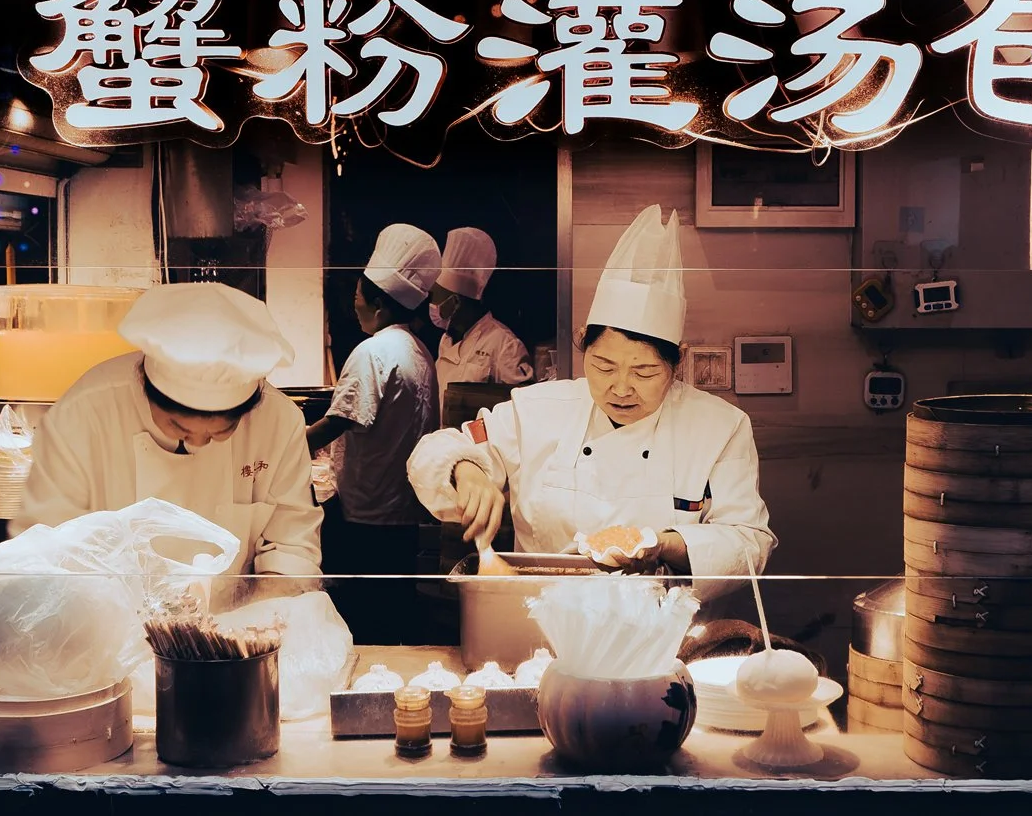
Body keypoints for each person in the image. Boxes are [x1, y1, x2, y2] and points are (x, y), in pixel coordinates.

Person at [409, 206, 774, 591]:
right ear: (584, 344)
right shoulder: (537, 410)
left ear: (677, 361)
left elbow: (749, 541)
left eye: (644, 372)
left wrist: (664, 544)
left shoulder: (720, 426)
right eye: (603, 365)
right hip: (541, 622)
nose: (620, 387)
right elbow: (435, 451)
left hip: (661, 628)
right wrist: (464, 469)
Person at [15, 282, 321, 578]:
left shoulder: (279, 421)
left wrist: (260, 613)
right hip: (106, 619)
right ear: (145, 389)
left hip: (233, 620)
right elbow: (45, 550)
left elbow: (291, 546)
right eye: (180, 428)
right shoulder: (84, 414)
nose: (199, 444)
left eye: (221, 431)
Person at [307, 224, 440, 643]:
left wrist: (286, 444)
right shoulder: (418, 351)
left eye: (358, 297)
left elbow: (341, 420)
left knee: (361, 618)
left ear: (380, 304)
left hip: (365, 514)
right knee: (395, 611)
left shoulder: (374, 351)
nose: (354, 305)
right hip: (399, 510)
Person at [429, 227, 533, 406]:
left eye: (436, 298)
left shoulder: (505, 345)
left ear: (455, 302)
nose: (432, 305)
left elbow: (523, 406)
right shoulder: (446, 339)